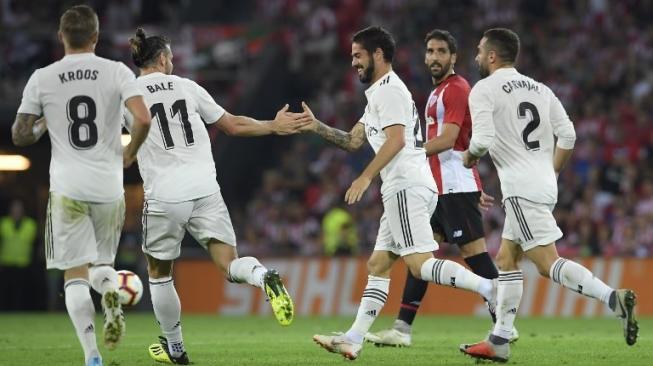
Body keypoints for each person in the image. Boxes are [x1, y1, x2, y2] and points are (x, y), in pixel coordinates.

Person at [304, 26, 497, 361]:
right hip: (403, 185)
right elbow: (353, 141)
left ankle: (490, 289)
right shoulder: (379, 93)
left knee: (421, 265)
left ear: (378, 54)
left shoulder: (390, 90)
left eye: (358, 56)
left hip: (405, 185)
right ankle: (353, 338)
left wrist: (365, 178)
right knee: (379, 263)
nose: (353, 63)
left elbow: (396, 141)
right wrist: (315, 126)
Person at [124, 28, 307, 365]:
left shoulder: (129, 94)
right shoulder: (188, 87)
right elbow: (233, 125)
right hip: (206, 188)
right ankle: (262, 276)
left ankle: (175, 349)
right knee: (228, 263)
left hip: (165, 194)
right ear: (163, 59)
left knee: (159, 273)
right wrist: (273, 126)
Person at [459, 28, 638, 362]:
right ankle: (499, 339)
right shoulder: (540, 89)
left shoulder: (483, 89)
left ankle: (614, 298)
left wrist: (469, 157)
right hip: (541, 182)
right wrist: (552, 172)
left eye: (480, 51)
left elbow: (481, 140)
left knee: (545, 262)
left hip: (520, 187)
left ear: (493, 56)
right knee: (507, 258)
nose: (477, 56)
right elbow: (567, 135)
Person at [11, 5, 152, 366]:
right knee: (102, 264)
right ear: (96, 37)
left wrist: (43, 123)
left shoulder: (43, 77)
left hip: (68, 189)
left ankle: (91, 355)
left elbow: (20, 136)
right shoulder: (117, 71)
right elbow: (143, 118)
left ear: (61, 37)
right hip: (108, 186)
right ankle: (109, 290)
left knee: (74, 274)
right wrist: (131, 152)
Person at [365, 29, 518, 348]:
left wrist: (411, 151)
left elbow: (450, 139)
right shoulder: (438, 92)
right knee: (418, 255)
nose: (434, 57)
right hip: (438, 187)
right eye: (430, 51)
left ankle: (505, 323)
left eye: (440, 51)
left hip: (453, 186)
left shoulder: (457, 88)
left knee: (474, 255)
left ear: (453, 57)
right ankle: (402, 329)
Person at [0, 199, 38, 310]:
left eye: (19, 208)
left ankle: (20, 313)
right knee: (5, 292)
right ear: (10, 209)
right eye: (14, 208)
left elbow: (37, 245)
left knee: (21, 292)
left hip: (23, 264)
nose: (16, 210)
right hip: (6, 264)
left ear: (23, 210)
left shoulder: (31, 224)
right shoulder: (3, 223)